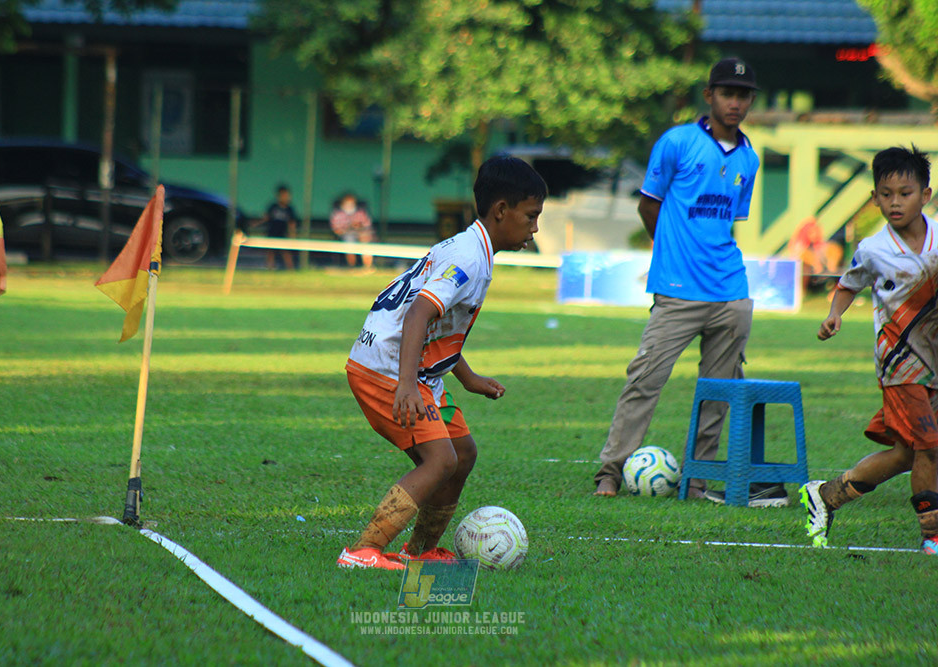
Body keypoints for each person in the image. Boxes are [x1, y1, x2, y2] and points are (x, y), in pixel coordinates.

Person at [591, 58, 786, 507]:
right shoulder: (677, 142)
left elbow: (727, 223)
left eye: (743, 95)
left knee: (720, 392)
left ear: (750, 101)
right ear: (709, 96)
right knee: (644, 380)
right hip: (677, 292)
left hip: (732, 292)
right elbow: (649, 204)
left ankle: (696, 478)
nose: (735, 103)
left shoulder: (749, 158)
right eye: (727, 93)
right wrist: (672, 249)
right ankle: (610, 473)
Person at [338, 156, 546, 570]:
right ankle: (362, 551)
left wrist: (466, 377)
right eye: (531, 216)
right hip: (385, 368)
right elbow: (418, 314)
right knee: (441, 460)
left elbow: (439, 328)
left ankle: (420, 552)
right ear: (501, 210)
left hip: (410, 369)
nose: (535, 228)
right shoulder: (469, 257)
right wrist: (406, 386)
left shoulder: (473, 249)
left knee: (462, 453)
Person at [802, 145, 938, 554]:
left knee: (906, 455)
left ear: (925, 195)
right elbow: (848, 283)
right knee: (930, 445)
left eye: (905, 192)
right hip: (900, 364)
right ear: (875, 197)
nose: (895, 202)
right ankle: (932, 536)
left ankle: (827, 496)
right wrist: (834, 314)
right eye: (886, 193)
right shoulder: (873, 249)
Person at [330, 193, 375, 271]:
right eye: (347, 203)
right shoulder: (338, 214)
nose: (349, 205)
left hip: (361, 233)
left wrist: (359, 226)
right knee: (349, 241)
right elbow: (336, 228)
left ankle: (368, 267)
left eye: (351, 203)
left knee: (365, 240)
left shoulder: (360, 212)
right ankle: (352, 266)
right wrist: (347, 227)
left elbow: (367, 224)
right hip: (346, 234)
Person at [257, 184, 297, 270]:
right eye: (283, 195)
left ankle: (291, 269)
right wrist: (256, 223)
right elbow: (266, 218)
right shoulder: (273, 207)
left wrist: (292, 234)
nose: (285, 197)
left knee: (285, 252)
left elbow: (292, 223)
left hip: (283, 234)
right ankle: (270, 267)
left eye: (287, 195)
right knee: (270, 252)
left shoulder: (289, 209)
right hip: (272, 232)